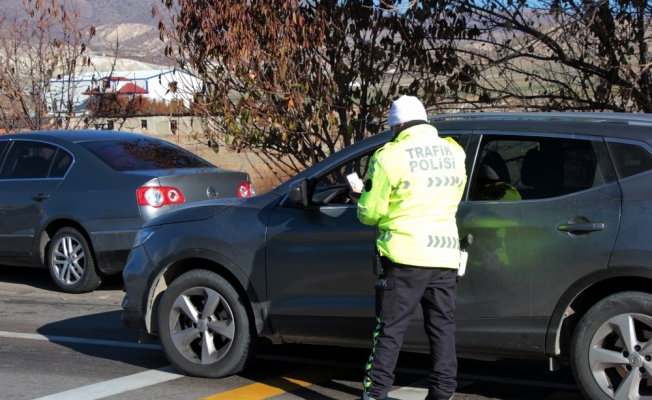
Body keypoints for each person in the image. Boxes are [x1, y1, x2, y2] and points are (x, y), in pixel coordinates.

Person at [350, 95, 467, 400]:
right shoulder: (454, 152)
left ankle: (375, 394)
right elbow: (451, 197)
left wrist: (359, 199)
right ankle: (443, 393)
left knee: (389, 331)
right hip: (445, 254)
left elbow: (370, 214)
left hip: (404, 256)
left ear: (397, 124)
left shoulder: (390, 156)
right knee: (442, 329)